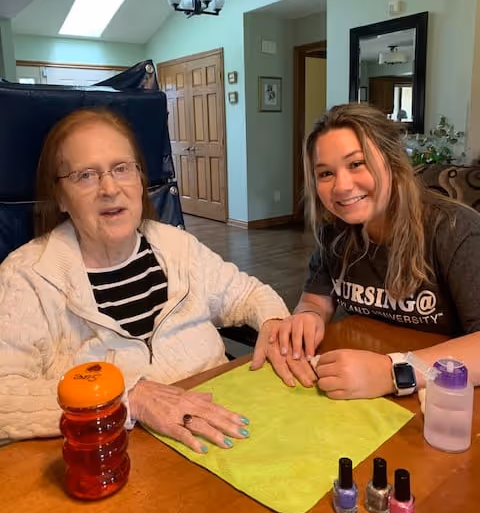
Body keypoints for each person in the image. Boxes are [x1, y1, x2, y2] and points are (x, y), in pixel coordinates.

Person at [0, 108, 290, 450]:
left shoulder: (176, 245)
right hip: (118, 458)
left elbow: (248, 294)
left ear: (140, 180)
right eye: (86, 176)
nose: (110, 188)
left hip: (225, 429)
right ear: (60, 196)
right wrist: (128, 397)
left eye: (121, 168)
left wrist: (273, 320)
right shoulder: (26, 277)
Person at [252, 103, 480, 399]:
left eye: (356, 164)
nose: (342, 187)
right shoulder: (336, 230)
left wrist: (392, 372)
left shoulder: (456, 230)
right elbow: (316, 300)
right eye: (325, 173)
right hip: (361, 389)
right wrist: (307, 315)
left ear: (392, 161)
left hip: (442, 397)